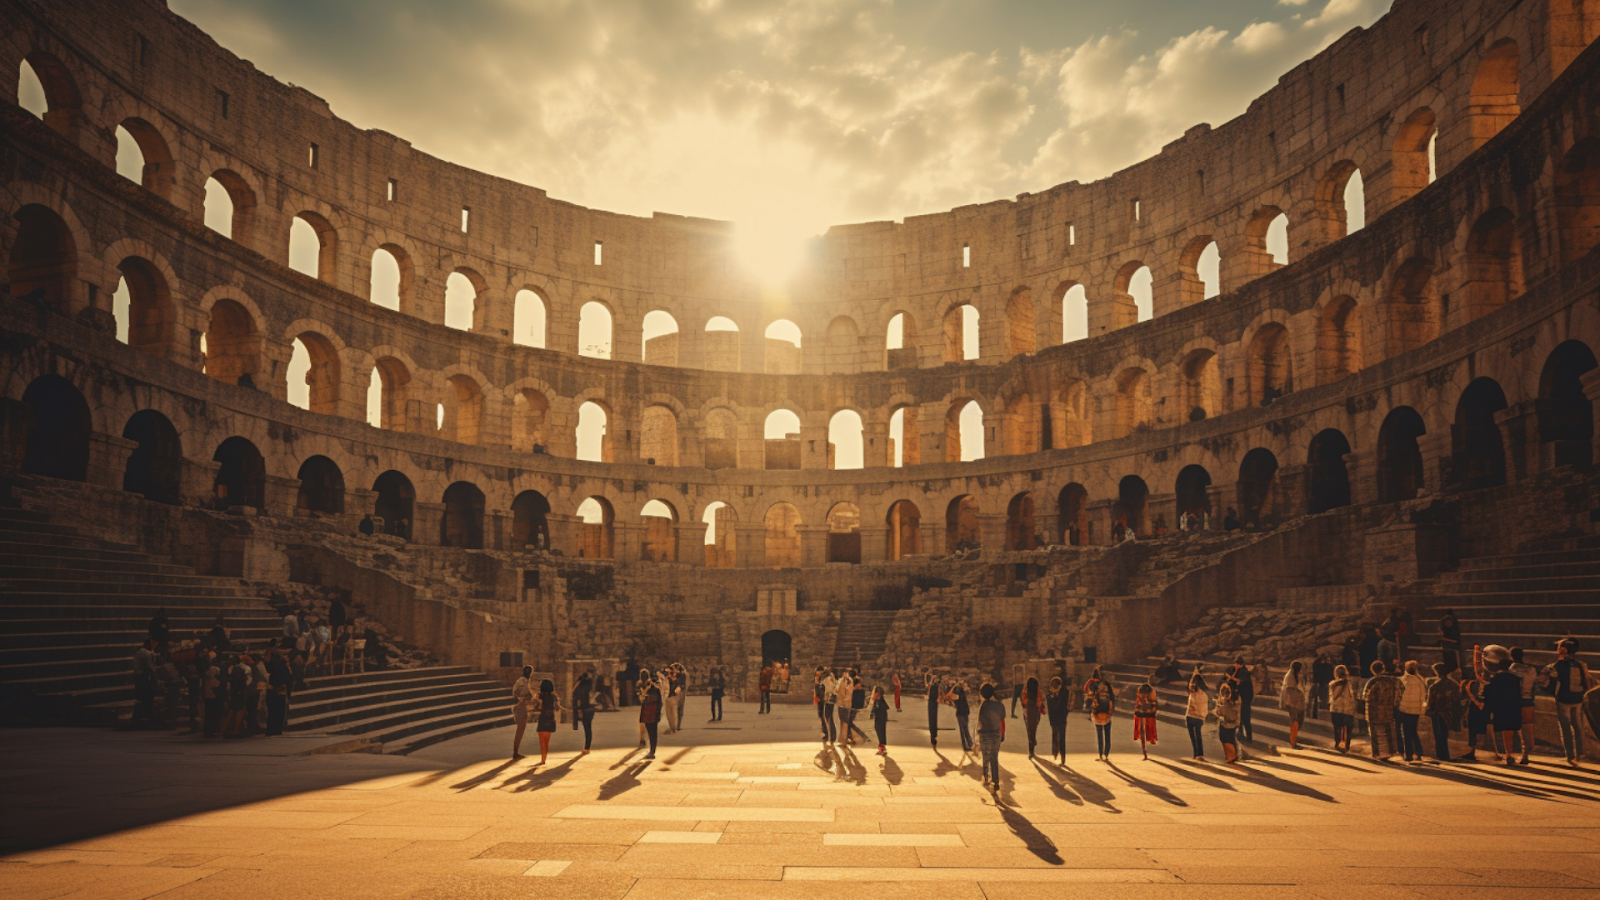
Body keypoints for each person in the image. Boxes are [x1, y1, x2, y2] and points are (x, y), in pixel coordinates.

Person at [1545, 638, 1591, 765]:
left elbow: (1550, 676)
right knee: (1578, 725)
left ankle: (1570, 755)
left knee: (1565, 727)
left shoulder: (1558, 665)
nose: (1557, 649)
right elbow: (1586, 681)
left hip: (1564, 698)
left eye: (1559, 647)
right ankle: (1580, 753)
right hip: (1578, 698)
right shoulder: (1581, 664)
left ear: (1564, 650)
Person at [1480, 645, 1525, 767]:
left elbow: (1490, 696)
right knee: (1515, 731)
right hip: (1513, 707)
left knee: (1505, 733)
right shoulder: (1515, 679)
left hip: (1501, 708)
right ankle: (1522, 753)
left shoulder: (1495, 679)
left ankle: (1508, 754)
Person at [1362, 661, 1399, 761]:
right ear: (1383, 669)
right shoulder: (1391, 681)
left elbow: (1364, 696)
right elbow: (1398, 694)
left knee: (1375, 733)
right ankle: (1391, 751)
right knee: (1389, 731)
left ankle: (1377, 753)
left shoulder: (1372, 681)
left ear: (1373, 670)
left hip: (1374, 711)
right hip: (1388, 710)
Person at [1508, 647, 1538, 765]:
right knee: (1527, 727)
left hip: (1512, 701)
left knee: (1509, 728)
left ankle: (1509, 754)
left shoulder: (1509, 669)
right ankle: (1526, 754)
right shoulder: (1531, 669)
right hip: (1527, 700)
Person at [1426, 662, 1461, 762]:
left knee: (1438, 735)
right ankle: (1446, 755)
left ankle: (1441, 754)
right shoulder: (1454, 684)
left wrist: (1429, 711)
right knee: (1445, 734)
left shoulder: (1434, 686)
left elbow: (1431, 701)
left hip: (1437, 713)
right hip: (1449, 713)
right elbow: (1457, 699)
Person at [977, 683, 1006, 793]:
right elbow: (1002, 721)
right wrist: (1002, 735)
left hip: (985, 734)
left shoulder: (984, 706)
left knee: (986, 757)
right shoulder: (1000, 706)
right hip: (996, 734)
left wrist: (977, 735)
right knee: (994, 758)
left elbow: (980, 722)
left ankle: (986, 777)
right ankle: (996, 781)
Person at [1396, 660, 1428, 762]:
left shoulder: (1402, 679)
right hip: (1415, 710)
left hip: (1404, 709)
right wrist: (1421, 709)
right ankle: (1418, 752)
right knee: (1413, 732)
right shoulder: (1421, 680)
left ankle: (1409, 754)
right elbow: (1423, 696)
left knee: (1405, 732)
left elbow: (1398, 695)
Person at [1459, 672, 1491, 763]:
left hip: (1475, 708)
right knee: (1474, 730)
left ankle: (1471, 750)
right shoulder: (1480, 684)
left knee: (1473, 730)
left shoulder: (1470, 684)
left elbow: (1463, 696)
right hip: (1482, 708)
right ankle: (1471, 750)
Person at [532, 679, 562, 765]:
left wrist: (536, 697)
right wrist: (557, 698)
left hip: (543, 718)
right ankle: (544, 758)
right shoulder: (553, 697)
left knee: (542, 741)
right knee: (547, 741)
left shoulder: (540, 696)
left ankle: (542, 759)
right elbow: (557, 708)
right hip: (550, 718)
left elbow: (537, 707)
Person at [264, 648, 292, 736]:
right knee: (279, 713)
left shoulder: (272, 665)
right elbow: (289, 680)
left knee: (272, 713)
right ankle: (277, 730)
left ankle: (271, 730)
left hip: (274, 691)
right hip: (281, 693)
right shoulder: (282, 665)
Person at [1226, 657, 1255, 742]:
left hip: (1245, 698)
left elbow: (1241, 682)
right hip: (1241, 698)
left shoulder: (1244, 672)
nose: (1235, 665)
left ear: (1240, 664)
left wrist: (1233, 678)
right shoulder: (1237, 671)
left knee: (1245, 718)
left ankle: (1249, 737)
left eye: (1236, 664)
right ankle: (1241, 733)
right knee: (1240, 718)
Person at [1280, 661, 1307, 749]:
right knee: (1295, 721)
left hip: (1296, 702)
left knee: (1298, 721)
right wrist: (1300, 694)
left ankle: (1294, 740)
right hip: (1292, 702)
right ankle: (1293, 742)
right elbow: (1291, 691)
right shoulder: (1290, 677)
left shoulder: (1295, 675)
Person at [511, 665, 535, 759]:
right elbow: (519, 692)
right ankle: (515, 752)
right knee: (520, 730)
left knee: (520, 730)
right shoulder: (523, 681)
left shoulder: (523, 681)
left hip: (521, 707)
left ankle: (516, 752)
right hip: (520, 707)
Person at [1185, 671, 1209, 759]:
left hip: (1192, 716)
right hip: (1198, 717)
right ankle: (1198, 753)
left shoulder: (1195, 693)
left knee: (1194, 736)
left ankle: (1197, 753)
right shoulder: (1203, 694)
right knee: (1197, 736)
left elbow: (1194, 706)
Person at [638, 670, 662, 760]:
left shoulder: (654, 689)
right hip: (646, 712)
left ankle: (652, 750)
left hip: (653, 712)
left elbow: (659, 702)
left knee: (653, 733)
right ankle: (651, 749)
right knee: (649, 732)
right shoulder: (641, 687)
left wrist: (658, 713)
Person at [1215, 682, 1241, 763]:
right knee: (1225, 738)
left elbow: (1235, 711)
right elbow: (1218, 712)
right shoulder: (1222, 701)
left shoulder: (1232, 702)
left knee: (1229, 739)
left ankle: (1232, 756)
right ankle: (1230, 756)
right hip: (1225, 722)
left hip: (1230, 723)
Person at [1133, 678, 1159, 759]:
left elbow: (1137, 702)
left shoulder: (1139, 690)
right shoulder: (1152, 691)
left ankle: (1144, 749)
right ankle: (1145, 749)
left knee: (1141, 730)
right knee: (1148, 729)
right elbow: (1154, 703)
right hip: (1149, 713)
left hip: (1140, 712)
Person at [1090, 678, 1114, 761]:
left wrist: (1093, 715)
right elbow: (1111, 708)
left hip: (1098, 719)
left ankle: (1101, 754)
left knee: (1100, 737)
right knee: (1107, 736)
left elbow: (1094, 707)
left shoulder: (1096, 697)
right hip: (1106, 718)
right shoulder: (1109, 697)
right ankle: (1106, 753)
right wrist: (1109, 716)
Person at [1047, 675, 1070, 763]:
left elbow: (1061, 705)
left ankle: (1063, 756)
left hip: (1061, 718)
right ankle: (1055, 753)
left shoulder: (1064, 692)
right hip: (1053, 718)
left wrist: (1054, 697)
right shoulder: (1049, 693)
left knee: (1062, 737)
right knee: (1054, 736)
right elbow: (1050, 707)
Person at [946, 680, 973, 756]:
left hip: (963, 712)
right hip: (961, 713)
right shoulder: (957, 690)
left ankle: (969, 745)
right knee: (964, 730)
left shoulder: (959, 689)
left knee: (965, 730)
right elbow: (955, 697)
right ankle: (968, 745)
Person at [572, 670, 596, 754]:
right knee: (588, 728)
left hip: (584, 709)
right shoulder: (589, 688)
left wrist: (579, 711)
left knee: (587, 728)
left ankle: (587, 747)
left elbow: (578, 701)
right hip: (590, 709)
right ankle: (587, 746)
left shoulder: (579, 691)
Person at [1022, 676, 1043, 758]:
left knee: (1029, 730)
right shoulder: (1038, 692)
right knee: (1033, 729)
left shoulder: (1025, 691)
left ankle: (1031, 749)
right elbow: (1041, 700)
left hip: (1027, 712)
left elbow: (1023, 701)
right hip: (1035, 712)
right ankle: (1032, 744)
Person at [1310, 654, 1334, 720]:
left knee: (1315, 700)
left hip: (1317, 683)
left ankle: (1315, 715)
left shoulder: (1316, 664)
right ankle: (1322, 715)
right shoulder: (1327, 666)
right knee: (1323, 700)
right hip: (1323, 684)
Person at [816, 667, 837, 745]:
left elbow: (829, 689)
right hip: (829, 700)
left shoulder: (828, 679)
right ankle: (831, 736)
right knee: (828, 717)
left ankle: (832, 736)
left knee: (829, 717)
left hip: (829, 700)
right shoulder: (828, 679)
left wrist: (826, 695)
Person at [871, 685, 891, 754]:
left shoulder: (879, 702)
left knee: (880, 732)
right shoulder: (878, 700)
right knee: (879, 730)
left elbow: (877, 709)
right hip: (879, 718)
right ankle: (881, 746)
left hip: (881, 718)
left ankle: (882, 747)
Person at [925, 671, 941, 748]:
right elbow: (928, 687)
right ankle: (933, 735)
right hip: (931, 701)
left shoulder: (937, 685)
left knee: (934, 718)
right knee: (931, 718)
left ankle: (934, 735)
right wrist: (930, 678)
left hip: (934, 701)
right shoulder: (931, 685)